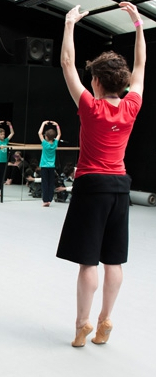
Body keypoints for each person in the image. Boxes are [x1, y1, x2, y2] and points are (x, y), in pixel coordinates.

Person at [56, 2, 146, 347]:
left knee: (87, 262)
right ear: (121, 84)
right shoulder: (131, 106)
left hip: (90, 185)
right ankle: (106, 319)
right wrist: (137, 25)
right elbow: (140, 65)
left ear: (95, 81)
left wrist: (69, 24)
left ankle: (83, 323)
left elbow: (66, 62)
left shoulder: (90, 108)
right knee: (114, 260)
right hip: (120, 188)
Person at [38, 120, 61, 207]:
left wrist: (43, 123)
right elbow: (59, 135)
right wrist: (57, 125)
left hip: (44, 166)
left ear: (46, 137)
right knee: (51, 183)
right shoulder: (55, 144)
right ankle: (49, 199)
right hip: (51, 166)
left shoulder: (45, 144)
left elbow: (39, 133)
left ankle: (45, 200)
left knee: (45, 183)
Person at [0, 121, 14, 196]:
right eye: (1, 134)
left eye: (3, 134)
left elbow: (12, 133)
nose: (3, 135)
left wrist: (10, 126)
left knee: (2, 176)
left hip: (4, 161)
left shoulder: (5, 141)